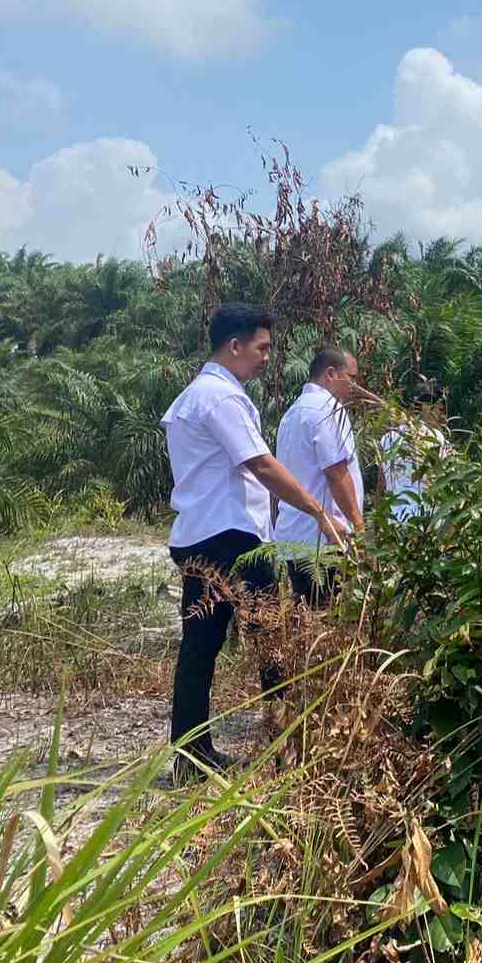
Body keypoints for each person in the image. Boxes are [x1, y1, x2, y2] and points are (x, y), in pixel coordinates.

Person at [161, 304, 344, 781]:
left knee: (199, 648)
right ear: (235, 346)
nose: (267, 358)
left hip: (199, 536)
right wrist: (319, 511)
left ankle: (190, 759)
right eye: (262, 348)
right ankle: (284, 748)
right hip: (234, 539)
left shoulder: (190, 398)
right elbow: (260, 464)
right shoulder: (221, 399)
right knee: (271, 642)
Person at [274, 346, 364, 605]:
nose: (355, 386)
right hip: (326, 539)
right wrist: (359, 527)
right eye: (352, 377)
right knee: (329, 617)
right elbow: (336, 472)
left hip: (297, 536)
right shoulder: (327, 409)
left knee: (308, 616)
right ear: (331, 373)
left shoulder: (293, 412)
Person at [377, 380, 450, 523]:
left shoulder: (387, 439)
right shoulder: (436, 437)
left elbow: (381, 485)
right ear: (425, 407)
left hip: (395, 521)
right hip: (426, 521)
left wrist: (376, 524)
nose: (443, 417)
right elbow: (439, 482)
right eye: (440, 410)